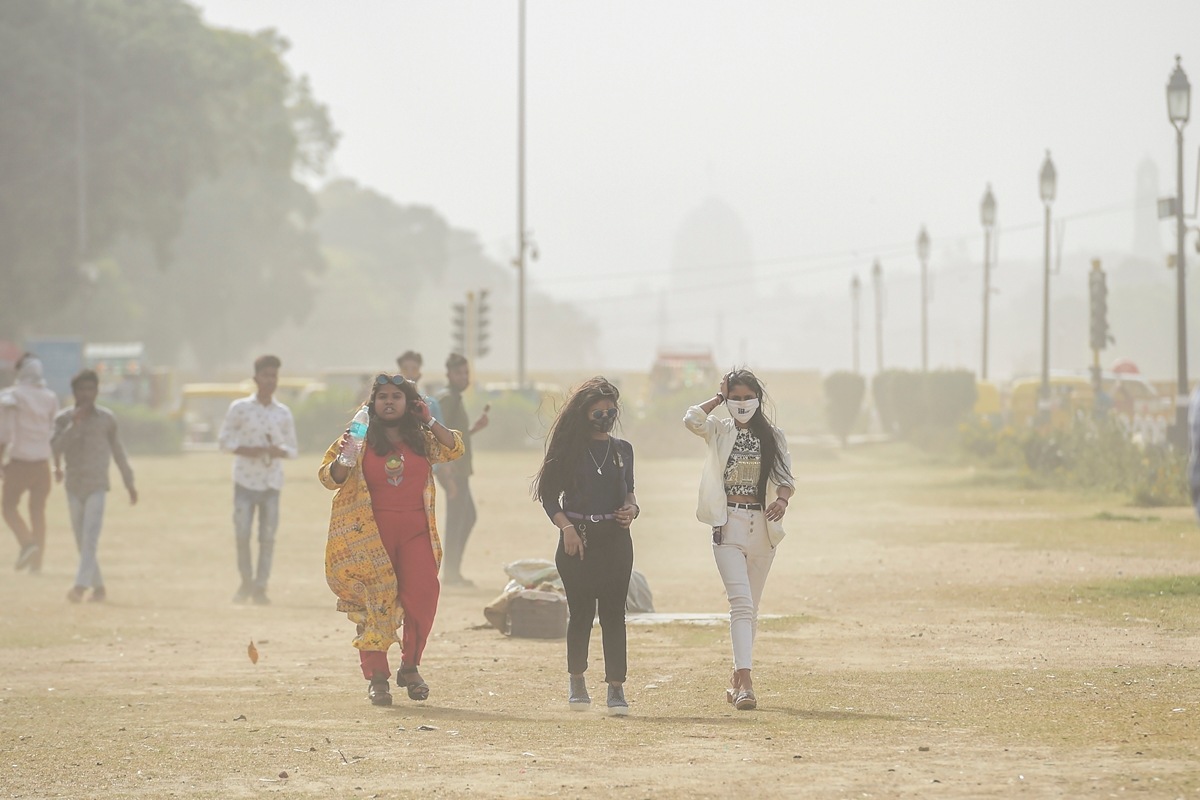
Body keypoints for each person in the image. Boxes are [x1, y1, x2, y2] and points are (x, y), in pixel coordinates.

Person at [319, 373, 464, 707]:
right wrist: (346, 455)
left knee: (423, 597)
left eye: (396, 397)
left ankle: (410, 666)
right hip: (369, 537)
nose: (388, 402)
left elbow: (454, 447)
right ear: (373, 403)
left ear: (409, 403)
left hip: (415, 533)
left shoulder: (422, 439)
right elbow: (330, 478)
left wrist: (429, 419)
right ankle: (378, 679)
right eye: (382, 396)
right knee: (376, 605)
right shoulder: (358, 436)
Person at [684, 368, 795, 711]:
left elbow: (785, 478)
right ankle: (746, 683)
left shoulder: (772, 436)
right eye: (736, 398)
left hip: (762, 526)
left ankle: (737, 678)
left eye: (748, 397)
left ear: (758, 399)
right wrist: (719, 398)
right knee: (741, 604)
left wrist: (782, 501)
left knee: (751, 608)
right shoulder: (719, 429)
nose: (743, 403)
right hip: (727, 524)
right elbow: (691, 419)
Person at [532, 377, 639, 715]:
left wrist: (632, 509)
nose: (606, 418)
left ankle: (616, 687)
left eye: (611, 412)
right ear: (584, 414)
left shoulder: (623, 450)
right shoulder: (568, 451)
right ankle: (577, 679)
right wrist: (567, 528)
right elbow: (549, 498)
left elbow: (629, 492)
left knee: (614, 614)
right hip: (576, 539)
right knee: (580, 613)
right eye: (598, 413)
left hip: (616, 539)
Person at [217, 355, 298, 605]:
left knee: (267, 537)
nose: (270, 381)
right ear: (256, 378)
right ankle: (246, 582)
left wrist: (277, 451)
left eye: (274, 376)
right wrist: (246, 450)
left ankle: (260, 587)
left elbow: (293, 449)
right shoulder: (240, 408)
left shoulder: (283, 413)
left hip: (271, 482)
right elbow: (224, 441)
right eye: (266, 375)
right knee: (242, 534)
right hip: (245, 481)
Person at [51, 369, 138, 602]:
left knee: (90, 537)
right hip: (73, 485)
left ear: (97, 391)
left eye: (90, 389)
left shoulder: (106, 419)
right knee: (81, 539)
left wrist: (129, 482)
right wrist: (74, 425)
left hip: (97, 485)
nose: (86, 394)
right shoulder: (63, 419)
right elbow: (55, 448)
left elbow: (118, 452)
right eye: (82, 389)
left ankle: (79, 587)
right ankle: (99, 588)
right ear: (74, 392)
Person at [0, 354, 59, 573]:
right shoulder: (50, 397)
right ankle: (37, 564)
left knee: (8, 507)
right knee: (37, 512)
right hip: (42, 464)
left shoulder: (12, 396)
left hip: (20, 462)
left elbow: (4, 432)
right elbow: (54, 429)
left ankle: (27, 543)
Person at [435, 353, 489, 586]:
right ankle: (451, 573)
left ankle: (453, 570)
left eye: (466, 372)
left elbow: (454, 437)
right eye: (458, 373)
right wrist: (446, 469)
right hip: (453, 471)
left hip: (458, 469)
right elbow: (437, 434)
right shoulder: (449, 399)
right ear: (448, 374)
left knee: (466, 517)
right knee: (458, 519)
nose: (463, 377)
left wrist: (474, 429)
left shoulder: (454, 398)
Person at [396, 350, 442, 425]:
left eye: (414, 370)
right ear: (399, 372)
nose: (410, 374)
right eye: (405, 369)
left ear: (419, 374)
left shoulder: (431, 404)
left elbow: (440, 427)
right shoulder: (393, 401)